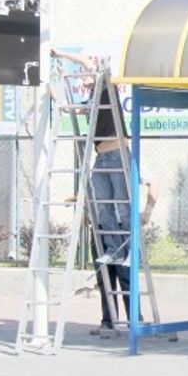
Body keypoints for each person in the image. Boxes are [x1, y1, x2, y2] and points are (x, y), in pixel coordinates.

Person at [51, 48, 132, 266]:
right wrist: (52, 92)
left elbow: (87, 62)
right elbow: (72, 110)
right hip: (101, 157)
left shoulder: (106, 88)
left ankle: (131, 251)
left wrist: (60, 53)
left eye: (86, 75)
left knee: (123, 206)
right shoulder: (92, 100)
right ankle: (114, 250)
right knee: (101, 205)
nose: (83, 78)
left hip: (117, 154)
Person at [90, 166, 159, 338]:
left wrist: (147, 212)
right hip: (100, 228)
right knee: (104, 277)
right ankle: (108, 321)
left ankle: (134, 320)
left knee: (126, 276)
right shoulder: (96, 166)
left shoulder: (128, 163)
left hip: (122, 226)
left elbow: (154, 182)